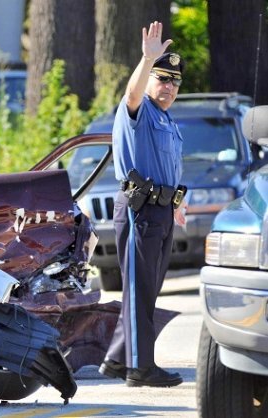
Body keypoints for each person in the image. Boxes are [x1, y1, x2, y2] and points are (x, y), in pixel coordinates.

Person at [98, 21, 187, 388]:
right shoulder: (140, 111)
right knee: (138, 289)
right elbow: (132, 94)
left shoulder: (166, 119)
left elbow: (169, 165)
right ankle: (140, 368)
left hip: (161, 211)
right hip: (140, 210)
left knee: (146, 289)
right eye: (161, 78)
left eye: (173, 81)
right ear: (150, 78)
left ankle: (117, 360)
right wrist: (146, 60)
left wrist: (177, 204)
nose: (167, 87)